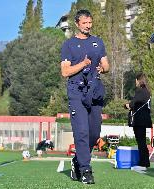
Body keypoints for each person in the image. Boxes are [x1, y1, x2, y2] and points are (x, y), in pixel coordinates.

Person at [60, 9, 109, 184]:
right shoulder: (69, 45)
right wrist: (83, 64)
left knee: (94, 133)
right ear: (77, 24)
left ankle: (78, 160)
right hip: (76, 92)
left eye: (90, 23)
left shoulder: (98, 42)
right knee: (81, 131)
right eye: (84, 23)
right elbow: (65, 72)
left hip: (95, 90)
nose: (88, 26)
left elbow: (106, 65)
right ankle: (86, 170)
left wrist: (103, 68)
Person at [125, 73, 152, 172]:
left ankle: (143, 163)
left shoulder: (141, 91)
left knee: (141, 142)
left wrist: (127, 105)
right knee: (142, 142)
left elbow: (133, 103)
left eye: (136, 80)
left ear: (138, 80)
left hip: (140, 120)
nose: (135, 82)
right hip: (143, 120)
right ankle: (145, 162)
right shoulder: (146, 91)